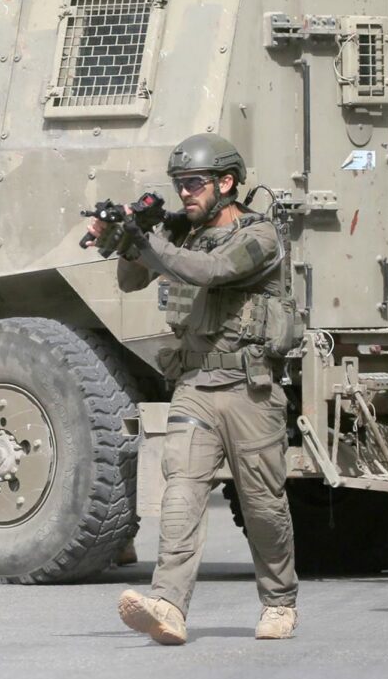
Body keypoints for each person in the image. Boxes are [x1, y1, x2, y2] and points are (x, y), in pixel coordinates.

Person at [87, 134, 300, 644]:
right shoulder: (182, 233)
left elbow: (211, 271)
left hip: (251, 389)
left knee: (263, 505)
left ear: (226, 183)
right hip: (196, 384)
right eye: (180, 184)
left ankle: (279, 601)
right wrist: (127, 235)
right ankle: (168, 605)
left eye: (195, 184)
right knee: (181, 492)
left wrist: (145, 240)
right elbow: (130, 282)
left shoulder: (259, 236)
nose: (185, 193)